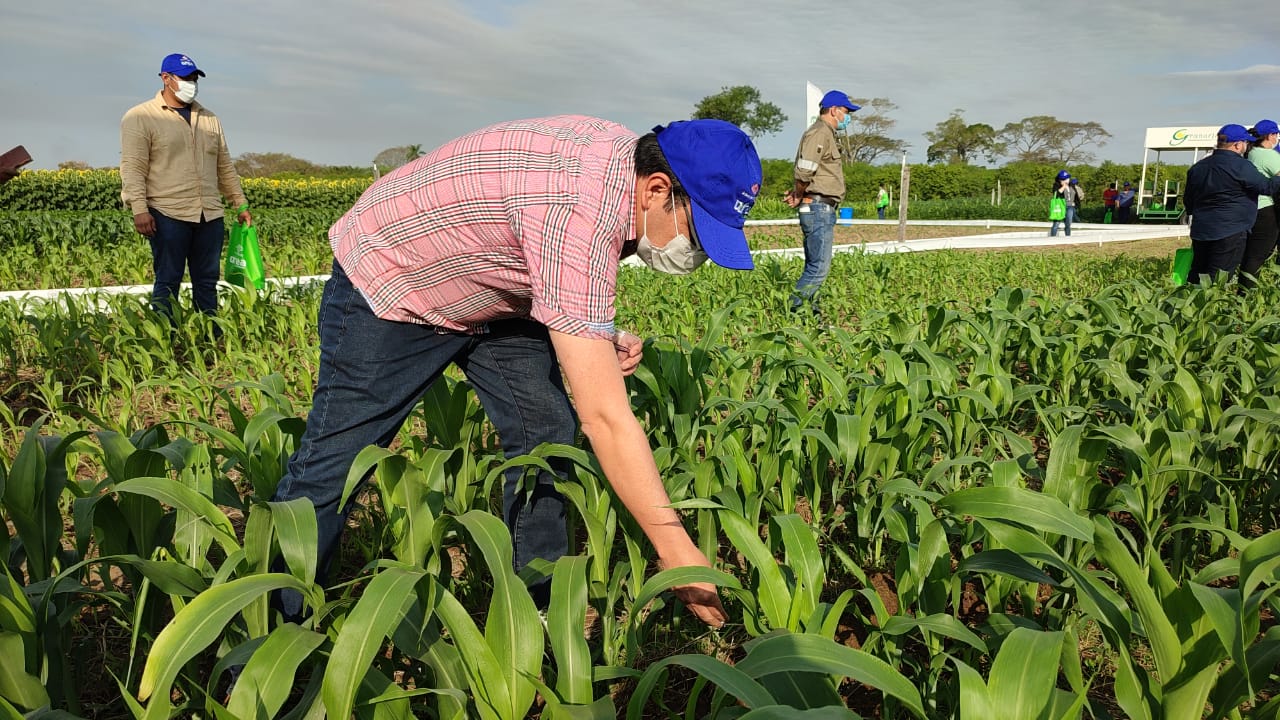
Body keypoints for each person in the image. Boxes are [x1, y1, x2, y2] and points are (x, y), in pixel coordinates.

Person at [270, 116, 762, 629]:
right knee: (337, 465)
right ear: (657, 187)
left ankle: (537, 607)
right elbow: (606, 418)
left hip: (494, 294)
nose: (698, 253)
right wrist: (675, 546)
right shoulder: (577, 209)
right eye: (698, 232)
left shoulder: (627, 168)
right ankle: (270, 642)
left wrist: (595, 336)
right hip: (395, 279)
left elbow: (548, 267)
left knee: (545, 433)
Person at [120, 53, 252, 320]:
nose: (191, 83)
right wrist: (139, 209)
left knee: (207, 282)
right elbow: (133, 167)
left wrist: (239, 202)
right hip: (168, 213)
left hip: (209, 214)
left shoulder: (209, 119)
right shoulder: (140, 117)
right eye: (185, 78)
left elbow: (224, 165)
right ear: (166, 79)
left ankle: (209, 341)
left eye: (194, 78)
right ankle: (164, 341)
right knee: (168, 281)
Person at [784, 89, 859, 316]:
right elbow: (805, 170)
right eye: (846, 112)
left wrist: (799, 192)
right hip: (818, 208)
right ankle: (793, 311)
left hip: (819, 207)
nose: (848, 117)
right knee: (819, 268)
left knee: (813, 265)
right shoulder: (820, 133)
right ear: (834, 110)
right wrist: (798, 193)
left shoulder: (825, 134)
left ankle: (812, 315)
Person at [1184, 124, 1280, 284]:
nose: (1247, 146)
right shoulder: (1241, 166)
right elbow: (1266, 187)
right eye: (1245, 142)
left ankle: (1190, 305)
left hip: (1201, 231)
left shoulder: (1197, 168)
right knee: (1219, 277)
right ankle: (1212, 306)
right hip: (1231, 230)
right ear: (1237, 144)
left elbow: (1189, 201)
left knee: (1198, 273)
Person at [1241, 119, 1280, 286]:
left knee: (1252, 254)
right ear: (1270, 136)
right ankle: (1247, 294)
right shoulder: (1267, 155)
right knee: (1257, 256)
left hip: (1253, 208)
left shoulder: (1251, 152)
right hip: (1267, 210)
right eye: (1277, 134)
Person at [1049, 170, 1077, 237]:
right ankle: (1052, 238)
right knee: (1056, 224)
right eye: (1064, 179)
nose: (1067, 180)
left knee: (1068, 224)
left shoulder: (1071, 185)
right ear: (1060, 179)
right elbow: (1056, 194)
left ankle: (1068, 237)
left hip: (1070, 206)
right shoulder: (1056, 185)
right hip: (1060, 206)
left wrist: (1075, 202)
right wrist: (1063, 186)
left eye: (1067, 178)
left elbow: (1075, 194)